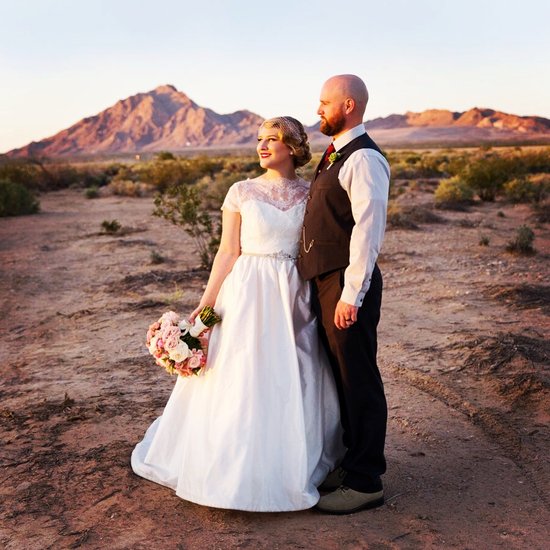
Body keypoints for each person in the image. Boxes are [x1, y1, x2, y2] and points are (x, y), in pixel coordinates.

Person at [132, 116, 343, 512]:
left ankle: (292, 459)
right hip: (246, 288)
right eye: (260, 139)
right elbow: (227, 250)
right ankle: (230, 464)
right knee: (240, 371)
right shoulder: (241, 191)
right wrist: (207, 301)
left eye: (272, 140)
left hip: (292, 291)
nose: (262, 146)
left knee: (293, 369)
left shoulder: (311, 191)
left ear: (293, 148)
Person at [297, 75, 391, 514]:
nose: (318, 110)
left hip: (345, 283)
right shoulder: (335, 155)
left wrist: (351, 295)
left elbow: (367, 232)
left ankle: (366, 479)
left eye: (324, 103)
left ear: (348, 105)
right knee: (339, 376)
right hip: (327, 281)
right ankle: (351, 461)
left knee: (358, 377)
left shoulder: (364, 159)